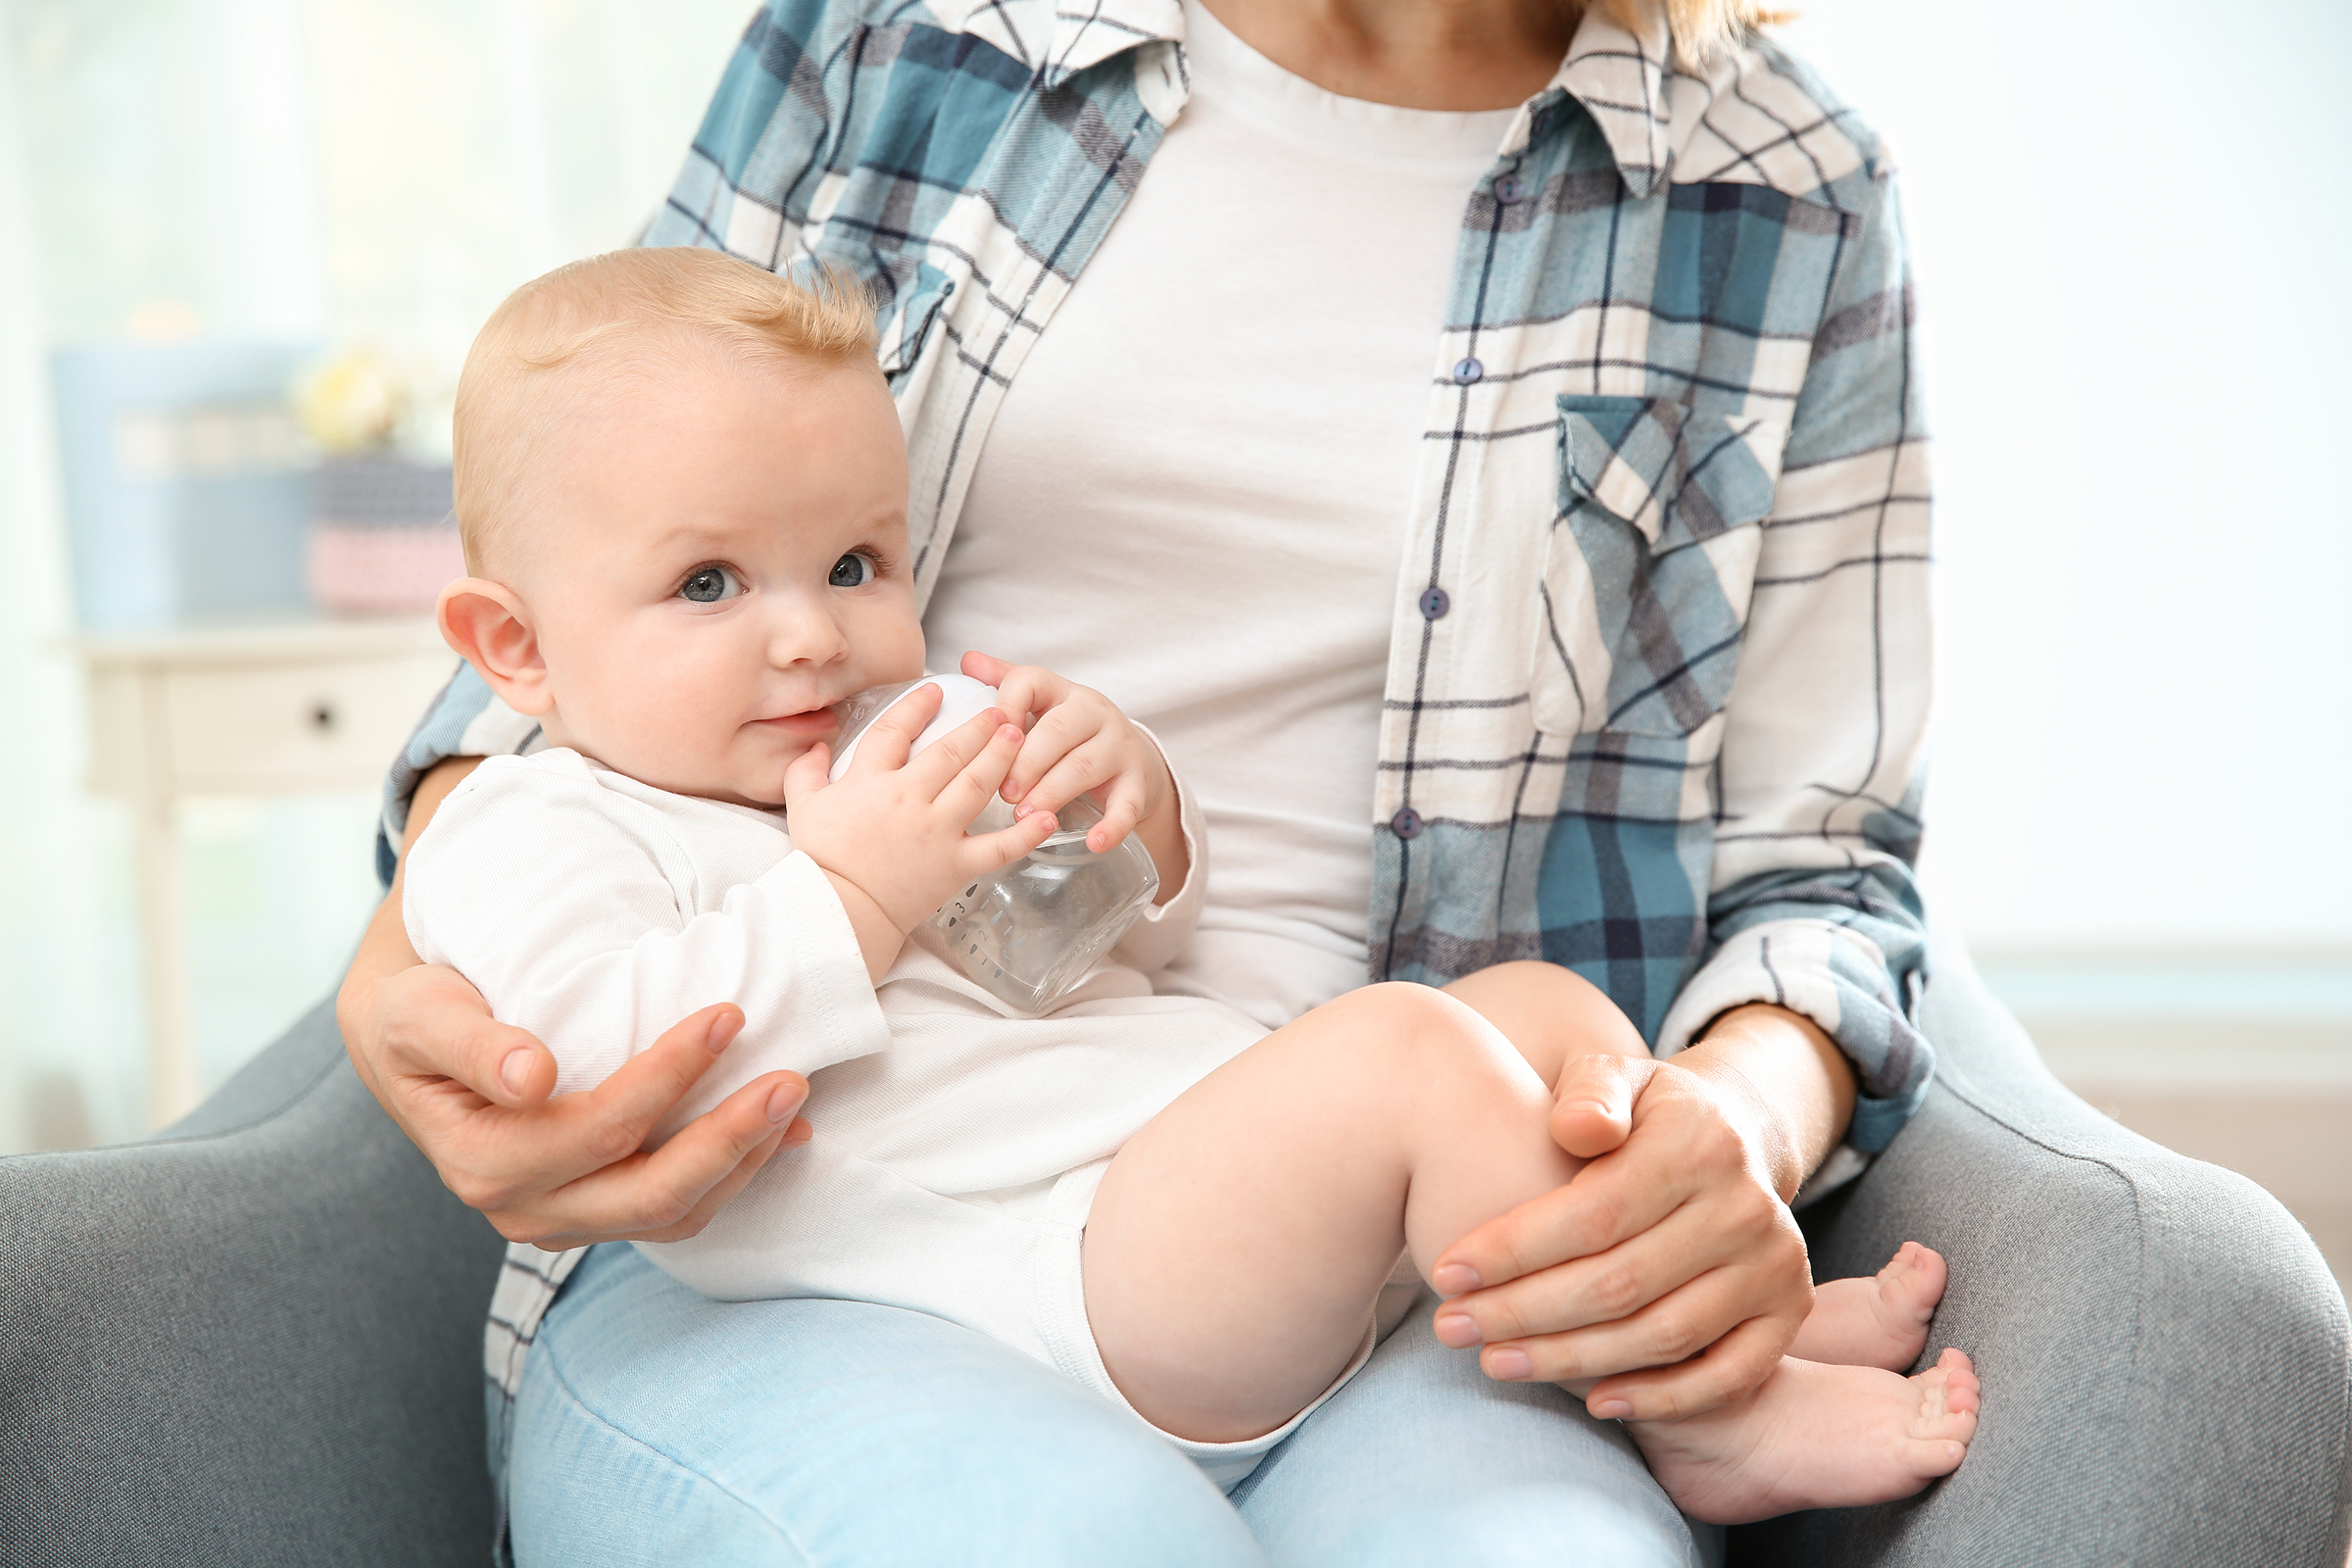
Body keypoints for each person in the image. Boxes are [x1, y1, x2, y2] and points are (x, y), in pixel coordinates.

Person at [339, 0, 1937, 1559]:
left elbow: (1089, 964)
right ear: (511, 650)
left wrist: (1134, 824)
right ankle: (1699, 1419)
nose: (808, 636)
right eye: (710, 587)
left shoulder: (1790, 187)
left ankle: (1719, 1318)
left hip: (1214, 1162)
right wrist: (848, 896)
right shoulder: (551, 817)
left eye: (853, 561)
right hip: (1026, 1265)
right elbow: (605, 1054)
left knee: (1542, 1020)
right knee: (1402, 1060)